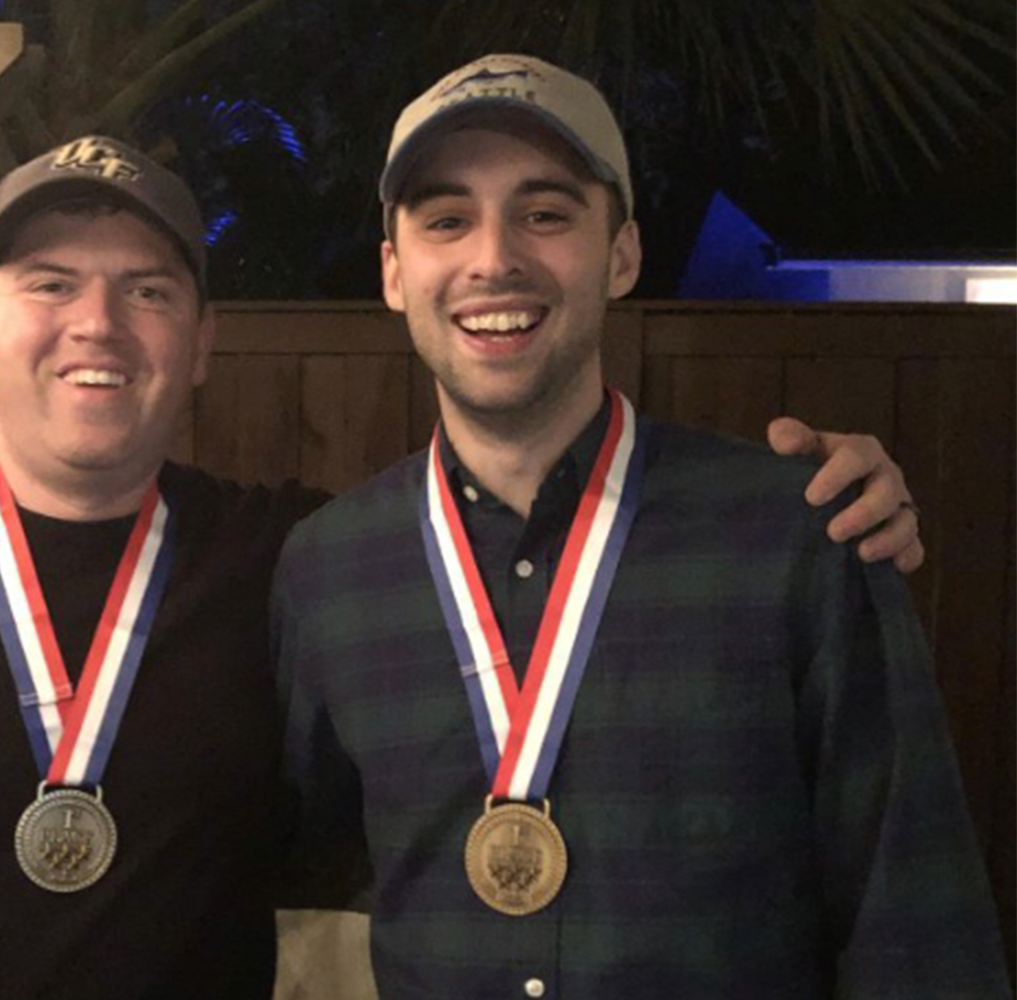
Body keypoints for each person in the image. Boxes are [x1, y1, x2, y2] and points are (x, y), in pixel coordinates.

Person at [0, 134, 926, 999]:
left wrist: (832, 502)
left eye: (147, 291)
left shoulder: (301, 563)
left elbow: (507, 554)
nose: (97, 324)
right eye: (50, 284)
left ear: (199, 342)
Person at [270, 55, 1009, 1000]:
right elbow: (296, 870)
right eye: (447, 219)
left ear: (621, 253)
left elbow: (917, 923)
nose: (492, 257)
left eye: (545, 214)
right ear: (393, 271)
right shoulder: (327, 570)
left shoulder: (796, 537)